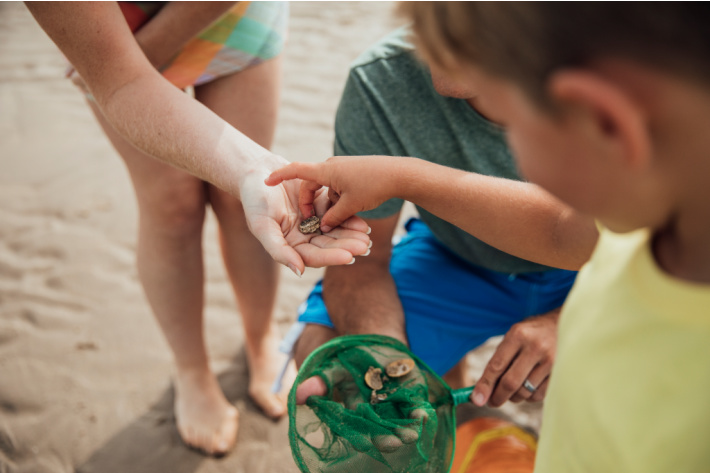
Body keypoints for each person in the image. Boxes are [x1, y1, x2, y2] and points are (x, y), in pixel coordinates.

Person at [282, 2, 710, 471]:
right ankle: (467, 424)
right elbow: (565, 230)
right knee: (332, 355)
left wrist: (565, 320)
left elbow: (564, 231)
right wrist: (394, 372)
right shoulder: (651, 222)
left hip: (584, 288)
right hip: (463, 261)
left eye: (515, 125)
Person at [26, 2, 371, 456]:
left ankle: (261, 339)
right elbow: (123, 79)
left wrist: (253, 170)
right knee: (172, 207)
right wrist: (126, 60)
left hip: (233, 13)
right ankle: (192, 371)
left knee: (246, 201)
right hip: (114, 37)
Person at [267, 27, 597, 409]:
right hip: (457, 253)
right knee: (333, 361)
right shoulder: (382, 79)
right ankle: (445, 391)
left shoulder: (625, 76)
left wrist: (570, 321)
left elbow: (660, 254)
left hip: (606, 274)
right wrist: (387, 358)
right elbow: (362, 265)